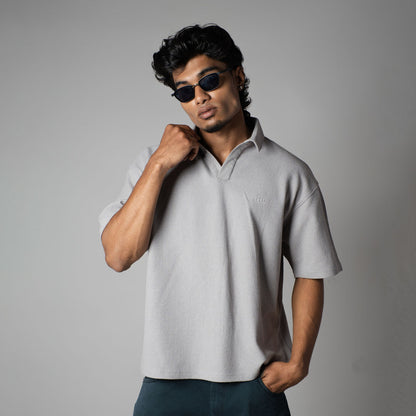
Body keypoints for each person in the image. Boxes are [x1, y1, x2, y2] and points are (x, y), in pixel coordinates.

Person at [99, 23, 342, 416]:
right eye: (184, 91)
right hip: (167, 382)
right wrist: (159, 163)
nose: (199, 97)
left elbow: (311, 271)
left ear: (238, 75)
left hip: (254, 385)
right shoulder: (152, 165)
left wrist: (299, 362)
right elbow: (118, 256)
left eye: (209, 80)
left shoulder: (290, 173)